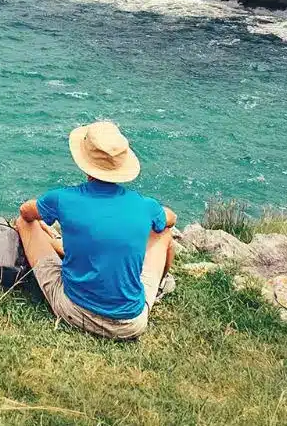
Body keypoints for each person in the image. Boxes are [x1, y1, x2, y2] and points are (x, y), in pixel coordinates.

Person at [16, 121, 176, 339]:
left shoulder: (63, 199)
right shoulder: (144, 205)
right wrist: (153, 214)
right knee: (163, 232)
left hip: (75, 312)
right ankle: (159, 286)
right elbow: (170, 219)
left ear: (84, 163)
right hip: (131, 324)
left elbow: (25, 212)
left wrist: (43, 217)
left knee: (24, 223)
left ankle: (59, 246)